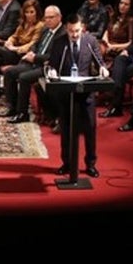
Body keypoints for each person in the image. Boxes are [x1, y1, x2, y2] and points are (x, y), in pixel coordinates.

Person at [46, 15, 105, 177]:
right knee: (66, 130)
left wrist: (103, 69)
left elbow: (100, 62)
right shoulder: (60, 43)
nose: (74, 35)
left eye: (77, 31)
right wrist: (52, 71)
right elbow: (53, 64)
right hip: (66, 93)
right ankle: (67, 163)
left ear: (82, 27)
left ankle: (90, 164)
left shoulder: (90, 41)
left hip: (86, 93)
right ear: (67, 29)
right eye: (71, 31)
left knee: (90, 130)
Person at [0, 5, 65, 124]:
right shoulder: (45, 29)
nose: (48, 20)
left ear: (59, 17)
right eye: (46, 18)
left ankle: (23, 113)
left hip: (47, 67)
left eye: (51, 17)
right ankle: (12, 108)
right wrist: (31, 52)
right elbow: (36, 44)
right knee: (9, 72)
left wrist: (35, 57)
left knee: (24, 78)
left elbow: (54, 56)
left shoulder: (63, 34)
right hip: (33, 61)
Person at [0, 0, 44, 103]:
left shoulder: (40, 26)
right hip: (12, 52)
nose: (29, 15)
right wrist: (9, 41)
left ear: (37, 12)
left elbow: (32, 44)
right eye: (26, 12)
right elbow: (14, 36)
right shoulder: (23, 23)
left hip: (22, 55)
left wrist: (14, 48)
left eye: (32, 12)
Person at [100, 0, 133, 68]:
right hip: (107, 46)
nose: (122, 6)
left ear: (131, 7)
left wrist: (113, 46)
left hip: (118, 50)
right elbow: (107, 32)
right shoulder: (114, 17)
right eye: (121, 3)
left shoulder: (131, 20)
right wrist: (107, 44)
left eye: (126, 4)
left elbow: (130, 43)